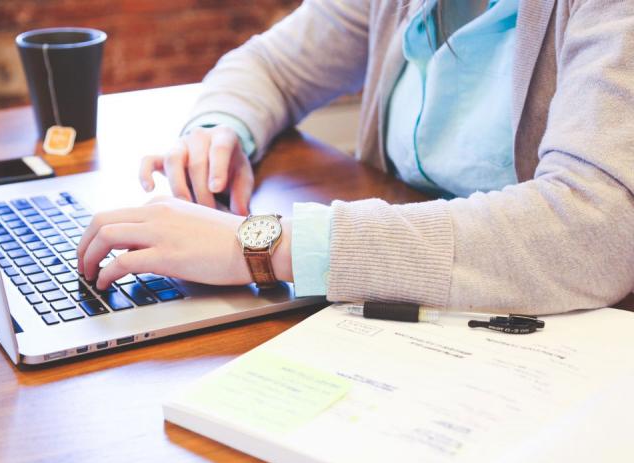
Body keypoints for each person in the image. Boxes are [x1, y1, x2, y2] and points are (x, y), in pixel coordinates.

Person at [77, 0, 634, 314]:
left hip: (560, 335)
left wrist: (264, 246)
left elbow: (595, 227)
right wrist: (219, 129)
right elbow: (272, 65)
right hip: (413, 315)